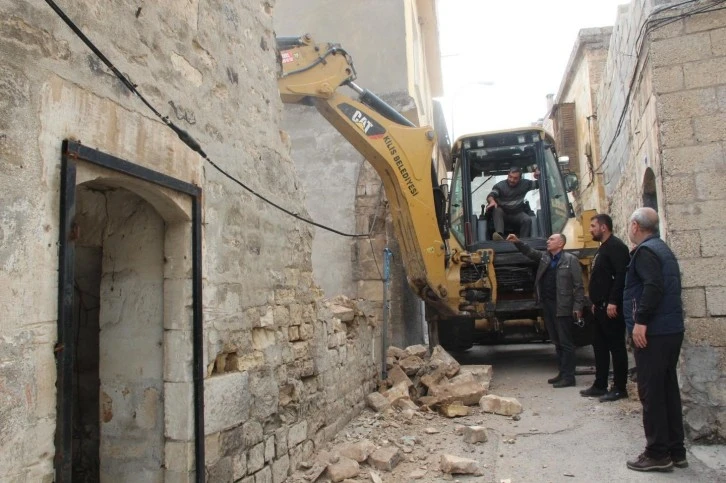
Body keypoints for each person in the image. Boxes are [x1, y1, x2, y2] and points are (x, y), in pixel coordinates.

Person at [624, 207, 686, 472]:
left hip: (654, 332)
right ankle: (676, 450)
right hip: (670, 330)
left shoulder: (645, 252)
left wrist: (641, 322)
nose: (629, 229)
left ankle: (657, 453)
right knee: (667, 390)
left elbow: (653, 286)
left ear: (636, 226)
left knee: (651, 393)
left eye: (629, 225)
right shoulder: (662, 248)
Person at [507, 232, 584, 387]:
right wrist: (517, 241)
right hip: (548, 305)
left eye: (551, 239)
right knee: (556, 341)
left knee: (566, 342)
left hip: (562, 306)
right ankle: (562, 373)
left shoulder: (570, 260)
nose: (548, 241)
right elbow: (529, 252)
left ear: (561, 243)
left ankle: (569, 377)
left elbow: (579, 286)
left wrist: (578, 306)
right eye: (548, 239)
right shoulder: (545, 258)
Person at [580, 214, 630, 402]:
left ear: (603, 227)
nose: (590, 229)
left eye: (593, 226)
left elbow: (620, 276)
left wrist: (613, 301)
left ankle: (619, 387)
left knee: (616, 347)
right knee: (599, 346)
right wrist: (595, 303)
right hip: (599, 308)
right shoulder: (603, 249)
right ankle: (600, 385)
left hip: (611, 308)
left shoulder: (617, 247)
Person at [486, 166, 539, 239]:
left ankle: (523, 241)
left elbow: (541, 183)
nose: (512, 180)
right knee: (497, 209)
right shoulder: (500, 186)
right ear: (508, 175)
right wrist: (492, 201)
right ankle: (499, 236)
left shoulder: (525, 184)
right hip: (503, 214)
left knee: (527, 219)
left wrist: (539, 174)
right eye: (510, 177)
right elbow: (491, 195)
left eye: (515, 178)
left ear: (520, 178)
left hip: (517, 213)